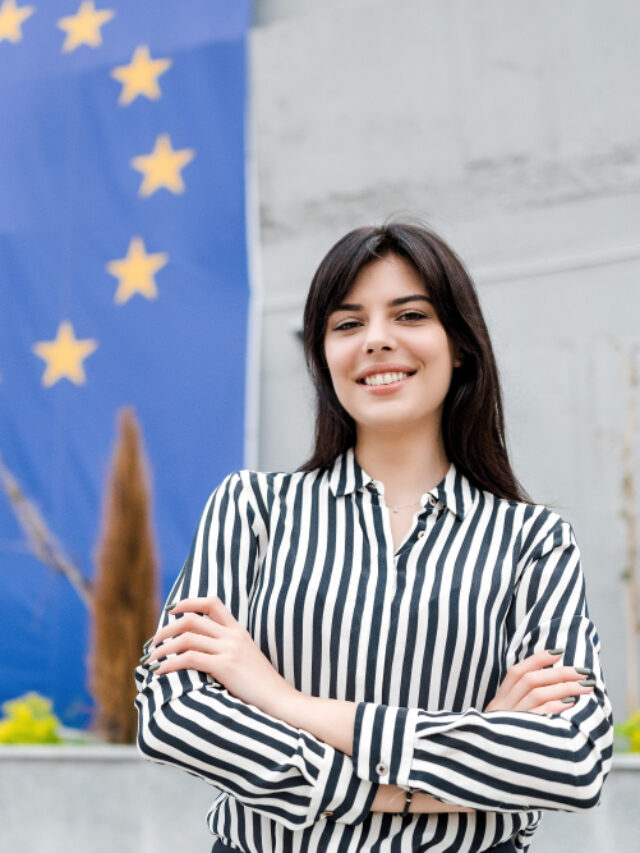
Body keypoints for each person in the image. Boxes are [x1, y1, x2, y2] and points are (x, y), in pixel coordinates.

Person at [135, 222, 613, 852]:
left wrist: (285, 700)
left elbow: (574, 759)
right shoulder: (253, 508)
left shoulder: (533, 539)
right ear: (323, 354)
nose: (378, 341)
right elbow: (172, 711)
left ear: (460, 344)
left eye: (410, 314)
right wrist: (455, 756)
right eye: (348, 323)